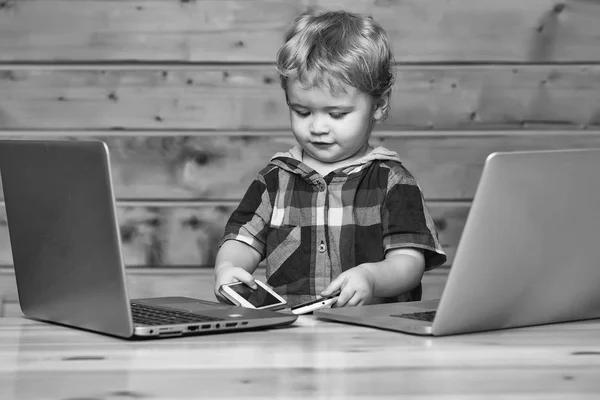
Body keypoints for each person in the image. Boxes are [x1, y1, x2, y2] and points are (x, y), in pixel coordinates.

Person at [213, 9, 446, 308]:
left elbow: (409, 263)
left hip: (375, 333)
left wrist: (372, 278)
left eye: (336, 114)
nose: (318, 127)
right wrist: (228, 268)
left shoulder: (392, 180)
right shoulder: (275, 179)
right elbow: (241, 239)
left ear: (379, 105)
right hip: (294, 335)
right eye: (302, 112)